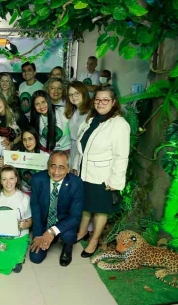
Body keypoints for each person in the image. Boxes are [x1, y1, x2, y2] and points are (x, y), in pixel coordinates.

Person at [73, 86, 130, 258]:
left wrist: (116, 181)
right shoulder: (92, 119)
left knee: (100, 210)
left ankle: (94, 240)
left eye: (105, 100)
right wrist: (76, 166)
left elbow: (121, 155)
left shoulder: (119, 124)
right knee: (85, 206)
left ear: (113, 102)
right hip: (85, 172)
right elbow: (82, 148)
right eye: (97, 99)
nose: (100, 103)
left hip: (103, 177)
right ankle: (82, 232)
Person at [29, 151, 84, 267]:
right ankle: (51, 237)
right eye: (53, 166)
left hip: (64, 222)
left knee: (69, 236)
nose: (56, 172)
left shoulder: (76, 183)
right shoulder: (37, 180)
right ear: (48, 165)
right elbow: (35, 207)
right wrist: (39, 234)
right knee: (35, 258)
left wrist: (52, 231)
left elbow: (75, 216)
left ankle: (67, 246)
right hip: (45, 222)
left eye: (61, 167)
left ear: (68, 169)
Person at [65, 81, 92, 165]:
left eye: (77, 93)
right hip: (73, 149)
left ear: (83, 93)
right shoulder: (73, 111)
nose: (73, 96)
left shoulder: (91, 112)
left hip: (85, 151)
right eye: (70, 94)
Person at [15, 126, 48, 195]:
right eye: (24, 139)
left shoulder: (45, 156)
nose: (27, 143)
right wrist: (3, 164)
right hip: (22, 192)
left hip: (40, 192)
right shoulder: (17, 154)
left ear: (36, 139)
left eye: (30, 139)